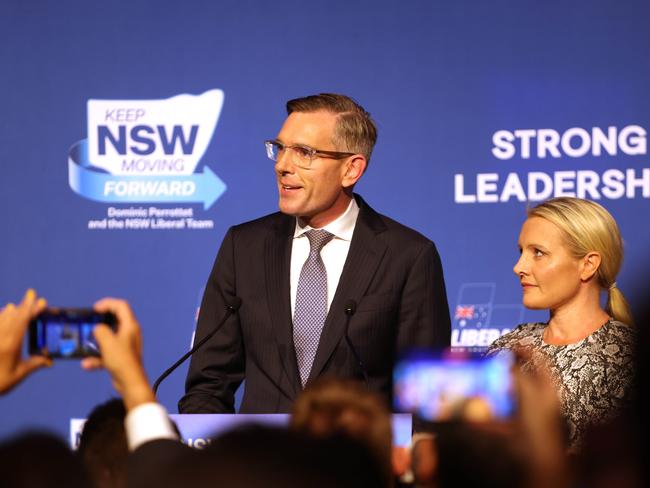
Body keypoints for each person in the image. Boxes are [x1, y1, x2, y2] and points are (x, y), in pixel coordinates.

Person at [179, 93, 451, 414]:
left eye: (304, 152)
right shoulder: (244, 247)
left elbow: (428, 400)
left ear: (351, 170)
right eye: (280, 148)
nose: (282, 165)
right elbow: (208, 384)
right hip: (263, 459)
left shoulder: (407, 257)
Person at [487, 197, 637, 451]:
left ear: (588, 265)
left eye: (538, 253)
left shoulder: (627, 356)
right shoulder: (509, 348)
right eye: (521, 252)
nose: (518, 267)